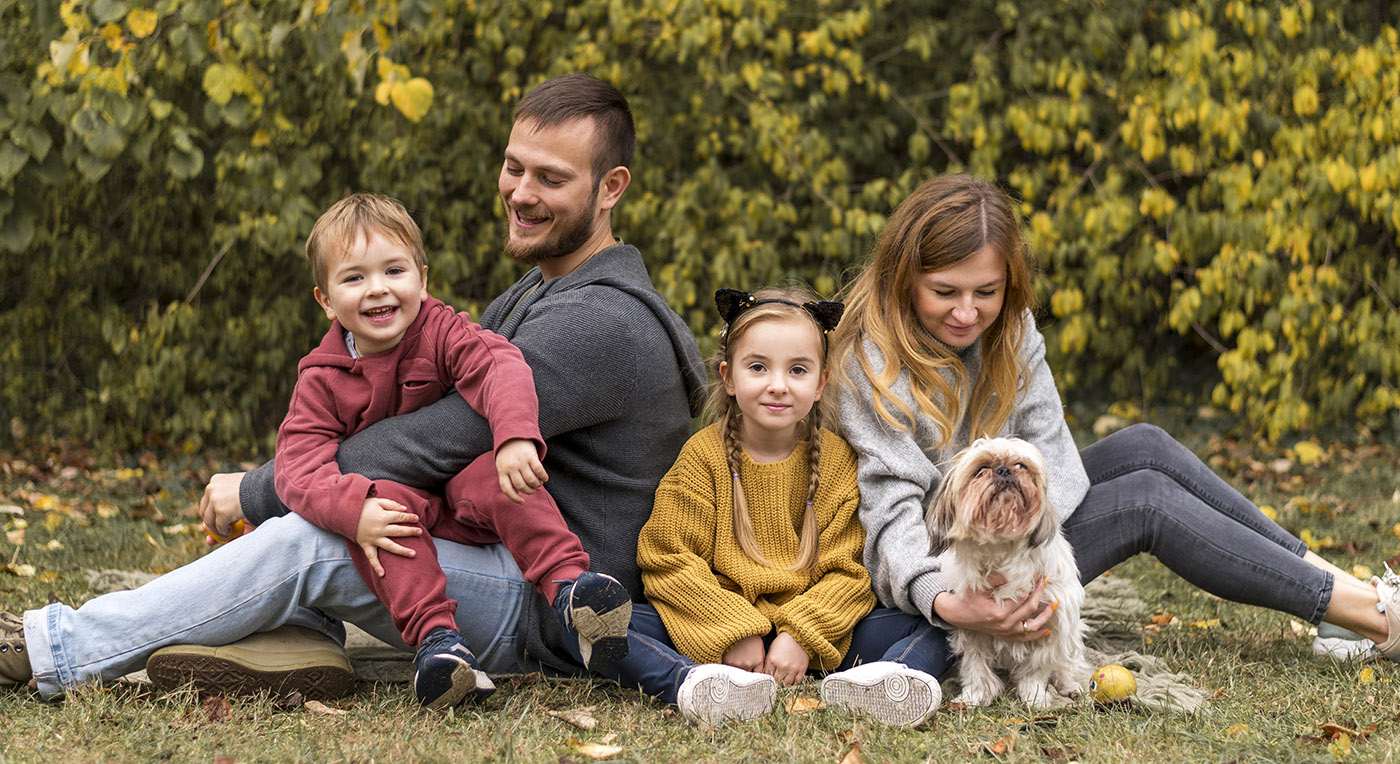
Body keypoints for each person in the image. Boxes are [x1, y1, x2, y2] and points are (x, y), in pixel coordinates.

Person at [0, 73, 707, 701]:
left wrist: (259, 489)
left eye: (550, 178)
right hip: (491, 550)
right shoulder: (541, 290)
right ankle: (299, 636)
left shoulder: (601, 322)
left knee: (312, 541)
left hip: (552, 602)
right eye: (513, 167)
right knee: (341, 510)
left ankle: (51, 646)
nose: (521, 193)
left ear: (611, 188)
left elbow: (432, 442)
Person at [829, 173, 1399, 674]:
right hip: (943, 559)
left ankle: (1351, 595)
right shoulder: (869, 362)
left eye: (987, 291)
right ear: (904, 278)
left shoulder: (1011, 329)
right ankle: (1375, 619)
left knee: (1145, 445)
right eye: (944, 292)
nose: (966, 311)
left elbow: (1054, 455)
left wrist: (1021, 524)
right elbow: (890, 517)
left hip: (1018, 534)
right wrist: (949, 600)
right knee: (1145, 500)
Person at [270, 192, 631, 710]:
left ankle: (571, 587)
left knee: (496, 475)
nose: (378, 288)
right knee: (385, 512)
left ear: (422, 279)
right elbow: (297, 467)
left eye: (394, 270)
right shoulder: (322, 379)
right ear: (325, 300)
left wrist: (513, 435)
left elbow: (498, 365)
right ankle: (439, 643)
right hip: (402, 512)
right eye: (354, 278)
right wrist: (353, 511)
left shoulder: (440, 329)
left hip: (465, 497)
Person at [569, 287, 947, 728]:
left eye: (798, 370)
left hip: (815, 638)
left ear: (821, 383)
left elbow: (850, 573)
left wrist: (800, 635)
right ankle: (694, 682)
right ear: (728, 377)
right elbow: (667, 558)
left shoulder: (837, 462)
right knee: (596, 621)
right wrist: (734, 631)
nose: (778, 385)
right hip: (715, 634)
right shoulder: (703, 457)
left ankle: (886, 681)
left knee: (936, 621)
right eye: (758, 367)